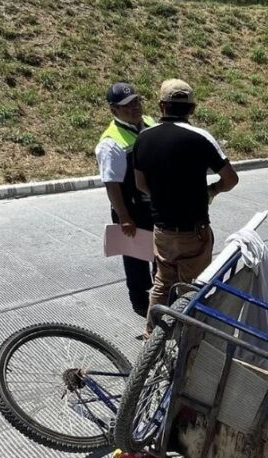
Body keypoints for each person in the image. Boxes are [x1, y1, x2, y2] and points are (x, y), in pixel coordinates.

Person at [133, 79, 239, 334]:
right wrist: (210, 191)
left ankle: (152, 336)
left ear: (161, 105)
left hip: (162, 230)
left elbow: (141, 184)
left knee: (162, 282)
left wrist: (162, 197)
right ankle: (188, 343)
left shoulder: (143, 138)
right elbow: (230, 179)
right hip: (194, 230)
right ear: (192, 108)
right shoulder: (201, 138)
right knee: (192, 287)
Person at [96, 82, 157, 316]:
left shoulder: (150, 123)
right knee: (135, 257)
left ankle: (162, 293)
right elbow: (111, 183)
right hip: (131, 209)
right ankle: (140, 302)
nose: (134, 108)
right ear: (114, 111)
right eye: (126, 106)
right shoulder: (111, 142)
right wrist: (124, 216)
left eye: (136, 102)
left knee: (159, 252)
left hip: (153, 204)